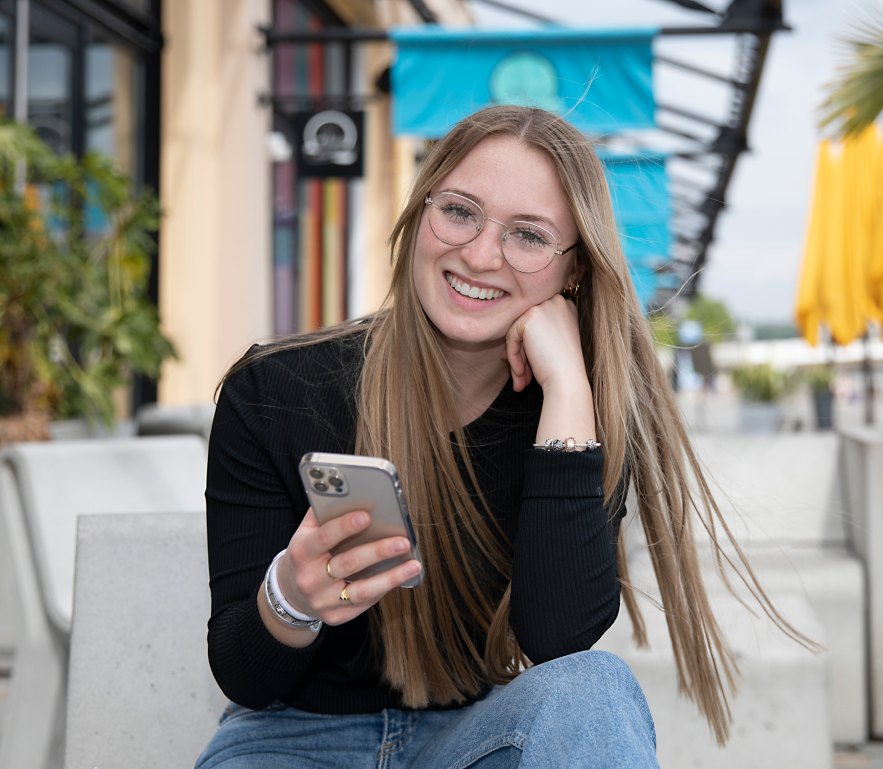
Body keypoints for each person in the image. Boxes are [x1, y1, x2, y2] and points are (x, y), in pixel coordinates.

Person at [196, 105, 791, 769]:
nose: (479, 254)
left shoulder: (588, 408)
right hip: (292, 741)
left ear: (573, 271)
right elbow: (244, 675)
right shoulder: (278, 390)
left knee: (594, 685)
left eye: (529, 235)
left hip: (479, 740)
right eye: (458, 211)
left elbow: (557, 636)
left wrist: (567, 389)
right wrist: (292, 597)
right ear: (421, 214)